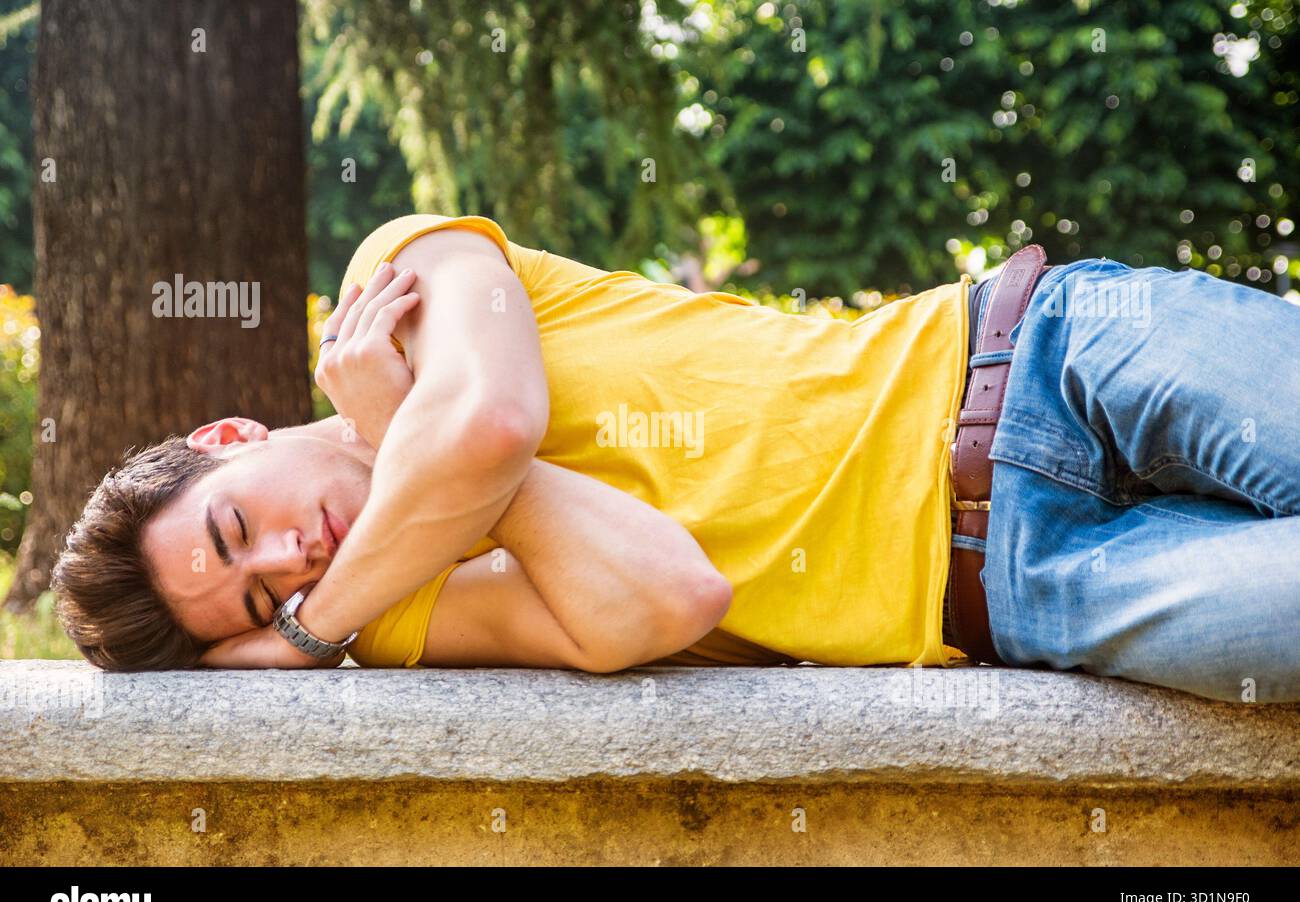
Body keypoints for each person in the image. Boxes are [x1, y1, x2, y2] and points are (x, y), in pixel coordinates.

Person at [49, 213, 1300, 704]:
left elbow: (487, 426)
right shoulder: (403, 610)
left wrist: (316, 617)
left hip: (1050, 356)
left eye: (235, 529)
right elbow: (672, 592)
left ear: (227, 441)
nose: (292, 561)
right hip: (1022, 590)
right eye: (264, 601)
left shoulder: (397, 279)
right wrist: (408, 476)